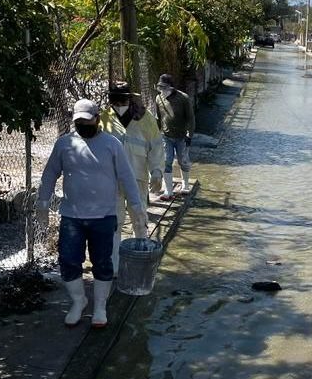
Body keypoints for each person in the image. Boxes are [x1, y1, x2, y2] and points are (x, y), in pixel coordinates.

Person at [36, 99, 147, 327]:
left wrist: (137, 208)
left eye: (88, 121)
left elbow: (127, 177)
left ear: (97, 119)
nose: (83, 125)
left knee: (103, 263)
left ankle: (100, 307)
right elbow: (49, 174)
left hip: (104, 217)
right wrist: (43, 203)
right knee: (68, 261)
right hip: (72, 217)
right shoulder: (64, 144)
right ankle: (79, 301)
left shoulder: (112, 144)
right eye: (79, 122)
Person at [99, 82, 163, 271]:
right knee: (114, 220)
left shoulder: (145, 118)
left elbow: (156, 146)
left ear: (130, 98)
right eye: (116, 100)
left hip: (137, 176)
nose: (119, 104)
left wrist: (157, 171)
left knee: (139, 216)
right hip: (112, 178)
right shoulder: (104, 118)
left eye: (122, 100)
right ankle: (114, 265)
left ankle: (141, 257)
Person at [154, 74, 195, 200]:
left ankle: (185, 185)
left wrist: (190, 134)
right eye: (160, 88)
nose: (163, 91)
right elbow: (158, 118)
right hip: (166, 136)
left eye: (165, 88)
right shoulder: (158, 98)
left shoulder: (183, 98)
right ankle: (168, 191)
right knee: (167, 161)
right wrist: (155, 134)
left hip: (182, 136)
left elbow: (190, 118)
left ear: (171, 87)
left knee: (183, 160)